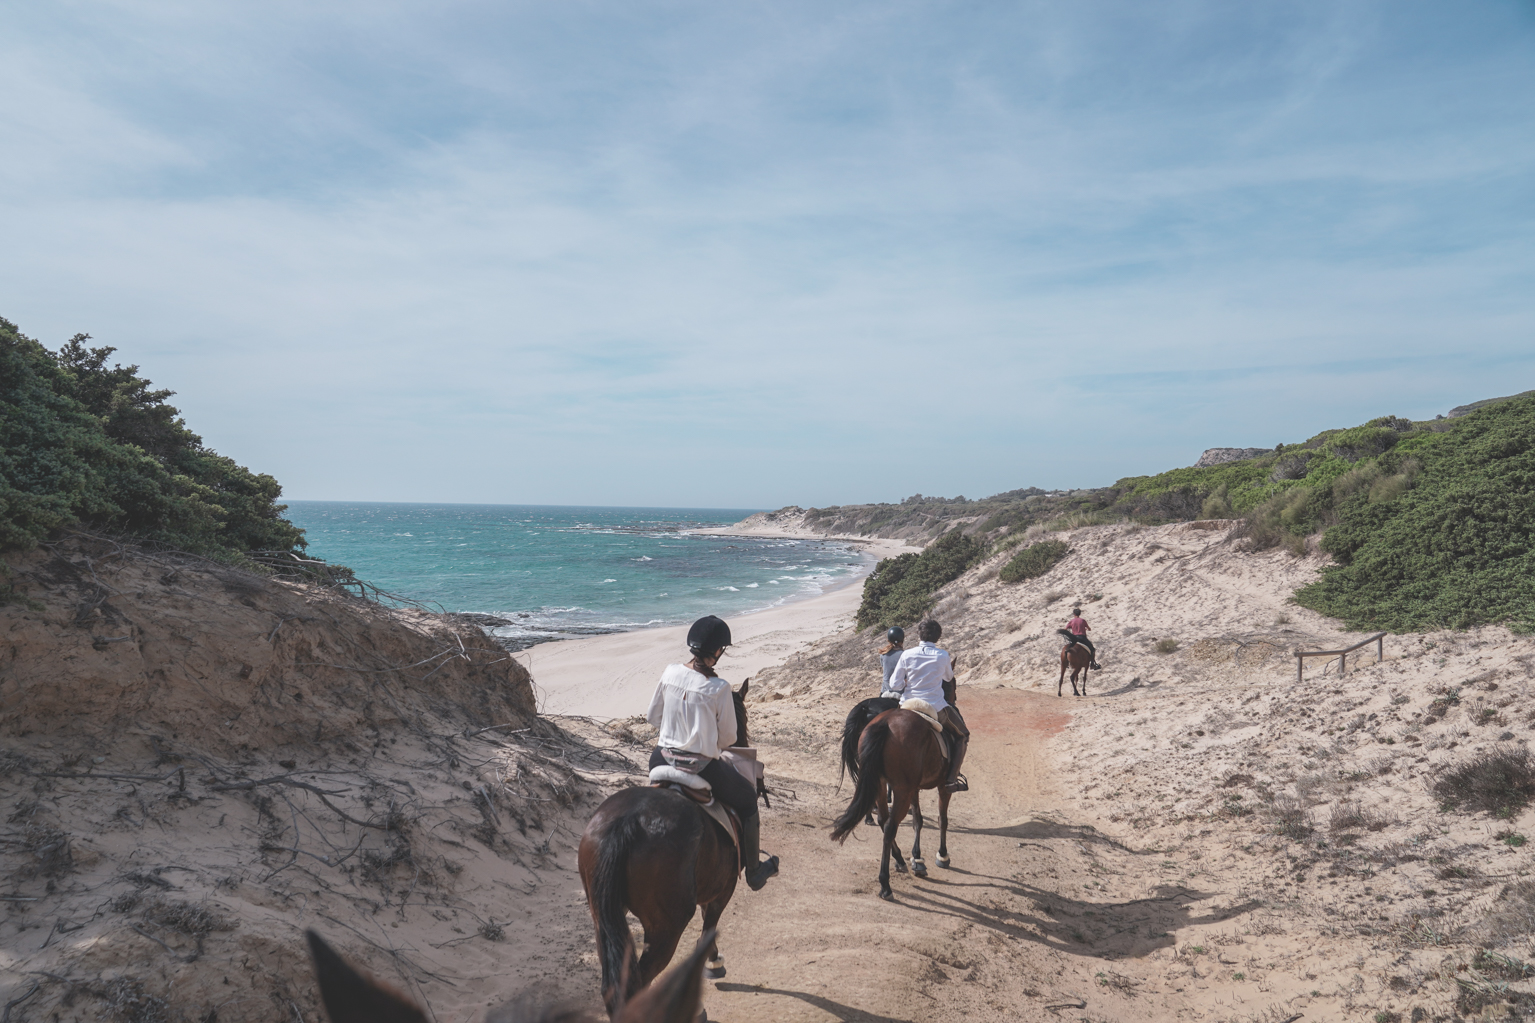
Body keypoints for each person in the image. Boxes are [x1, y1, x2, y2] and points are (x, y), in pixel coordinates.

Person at [646, 615, 779, 891]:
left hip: (660, 758)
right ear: (717, 652)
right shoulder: (719, 689)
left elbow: (653, 716)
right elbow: (729, 738)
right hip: (701, 766)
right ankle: (754, 872)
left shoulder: (669, 672)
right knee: (747, 802)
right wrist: (704, 740)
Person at [884, 619, 969, 793]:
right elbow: (948, 678)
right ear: (938, 637)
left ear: (918, 635)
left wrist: (906, 682)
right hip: (935, 706)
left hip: (907, 705)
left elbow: (894, 684)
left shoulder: (906, 654)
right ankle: (951, 780)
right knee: (963, 735)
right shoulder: (943, 655)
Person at [878, 626, 906, 697]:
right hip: (900, 692)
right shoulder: (905, 655)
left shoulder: (883, 654)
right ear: (902, 640)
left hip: (885, 690)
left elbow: (885, 671)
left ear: (889, 640)